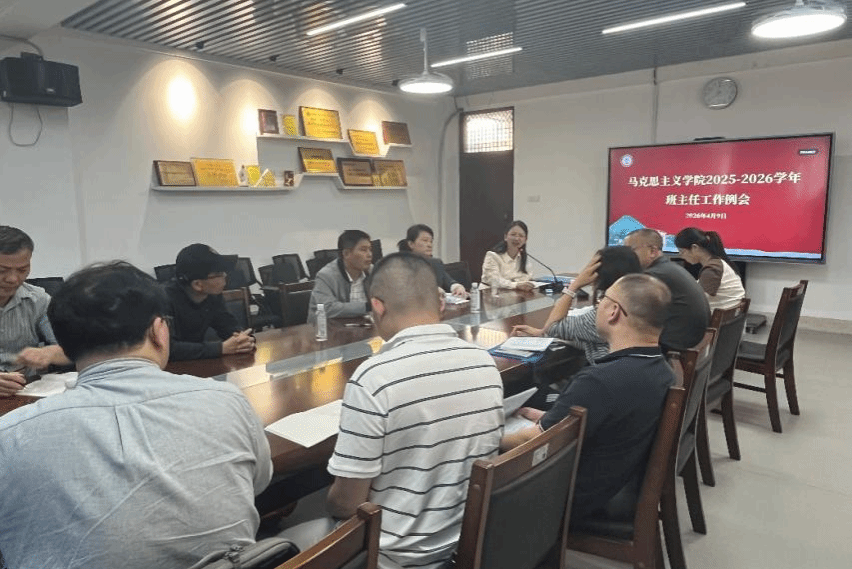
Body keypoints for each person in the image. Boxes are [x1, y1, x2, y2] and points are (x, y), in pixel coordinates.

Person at [0, 262, 272, 569]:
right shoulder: (228, 399)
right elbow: (258, 482)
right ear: (158, 331)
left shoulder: (11, 434)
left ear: (66, 345)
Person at [287, 253, 504, 569]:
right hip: (465, 544)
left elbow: (348, 504)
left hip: (393, 557)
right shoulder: (485, 362)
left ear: (377, 306)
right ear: (440, 303)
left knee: (286, 533)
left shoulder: (374, 378)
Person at [501, 273, 676, 523]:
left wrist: (486, 438)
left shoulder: (599, 381)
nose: (598, 306)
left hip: (574, 497)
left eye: (602, 300)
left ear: (614, 312)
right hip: (616, 482)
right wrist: (549, 417)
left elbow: (533, 441)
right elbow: (609, 418)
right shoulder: (663, 370)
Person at [512, 246, 642, 364]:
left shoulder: (604, 315)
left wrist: (575, 285)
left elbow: (553, 327)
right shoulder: (639, 305)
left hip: (606, 379)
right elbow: (592, 340)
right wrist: (543, 333)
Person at [0, 225, 70, 397]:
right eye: (2, 270)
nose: (13, 279)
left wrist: (50, 353)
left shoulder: (38, 300)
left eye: (22, 270)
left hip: (26, 393)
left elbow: (72, 350)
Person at [623, 228, 710, 351]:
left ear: (652, 251)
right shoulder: (668, 268)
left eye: (630, 250)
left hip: (674, 346)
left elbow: (630, 312)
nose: (626, 256)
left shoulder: (654, 275)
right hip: (692, 340)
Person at [165, 243, 255, 361]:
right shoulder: (163, 300)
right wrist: (220, 348)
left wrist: (244, 339)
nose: (225, 276)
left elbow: (227, 324)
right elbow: (168, 349)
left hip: (197, 363)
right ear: (197, 284)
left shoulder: (212, 296)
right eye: (219, 274)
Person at [308, 229, 373, 323]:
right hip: (329, 328)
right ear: (346, 254)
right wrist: (368, 306)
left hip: (363, 325)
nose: (369, 254)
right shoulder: (326, 276)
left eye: (370, 249)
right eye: (363, 250)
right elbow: (327, 308)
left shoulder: (372, 271)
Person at [675, 227, 746, 311]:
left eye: (682, 251)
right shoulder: (718, 262)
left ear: (695, 248)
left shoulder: (712, 269)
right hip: (729, 315)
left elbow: (696, 300)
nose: (681, 256)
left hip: (717, 317)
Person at [398, 223, 467, 297]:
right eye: (425, 240)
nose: (429, 245)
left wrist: (457, 287)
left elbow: (449, 282)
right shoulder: (400, 265)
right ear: (411, 244)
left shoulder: (435, 263)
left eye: (431, 241)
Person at [481, 220, 536, 291]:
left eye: (521, 236)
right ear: (505, 237)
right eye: (513, 234)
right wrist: (516, 284)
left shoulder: (522, 257)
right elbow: (493, 280)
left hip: (514, 293)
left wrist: (519, 283)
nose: (517, 238)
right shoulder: (492, 255)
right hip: (490, 293)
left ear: (525, 240)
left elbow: (528, 277)